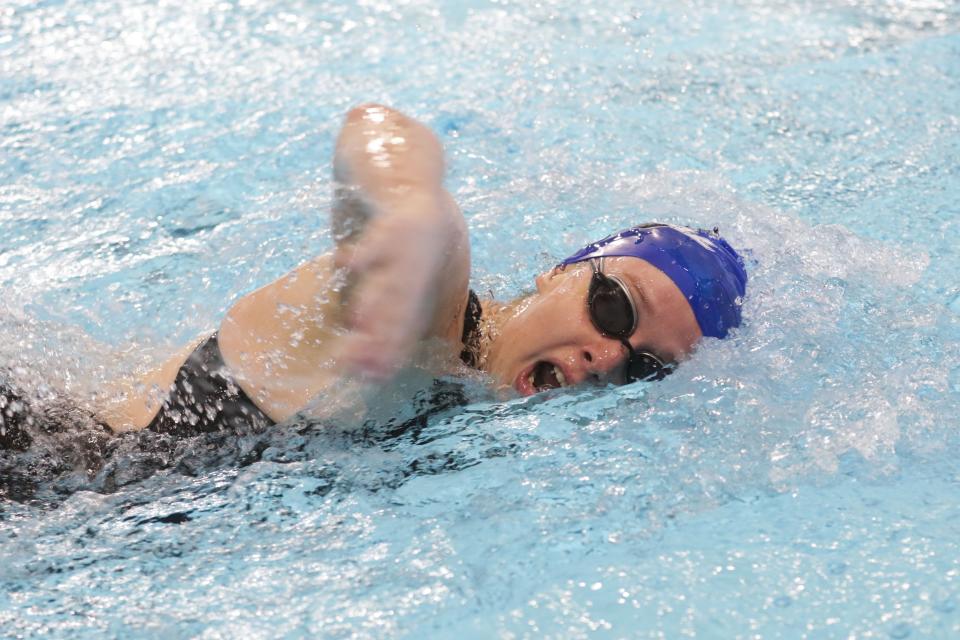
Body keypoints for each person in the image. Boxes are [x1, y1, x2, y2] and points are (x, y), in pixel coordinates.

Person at [1, 104, 747, 450]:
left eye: (645, 369)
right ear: (559, 274)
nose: (608, 358)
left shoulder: (466, 406)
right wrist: (410, 207)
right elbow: (377, 131)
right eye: (615, 307)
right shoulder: (426, 312)